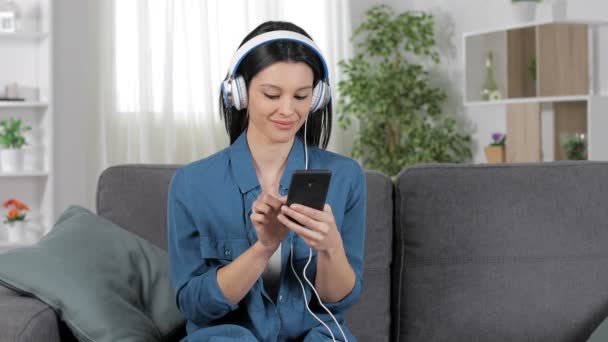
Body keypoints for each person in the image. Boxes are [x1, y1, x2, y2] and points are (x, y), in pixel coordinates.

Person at [167, 20, 366, 342]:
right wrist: (264, 248)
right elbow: (194, 305)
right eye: (272, 95)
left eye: (301, 96)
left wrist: (331, 247)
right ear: (240, 94)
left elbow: (337, 300)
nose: (288, 110)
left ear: (316, 99)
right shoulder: (192, 184)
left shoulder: (345, 177)